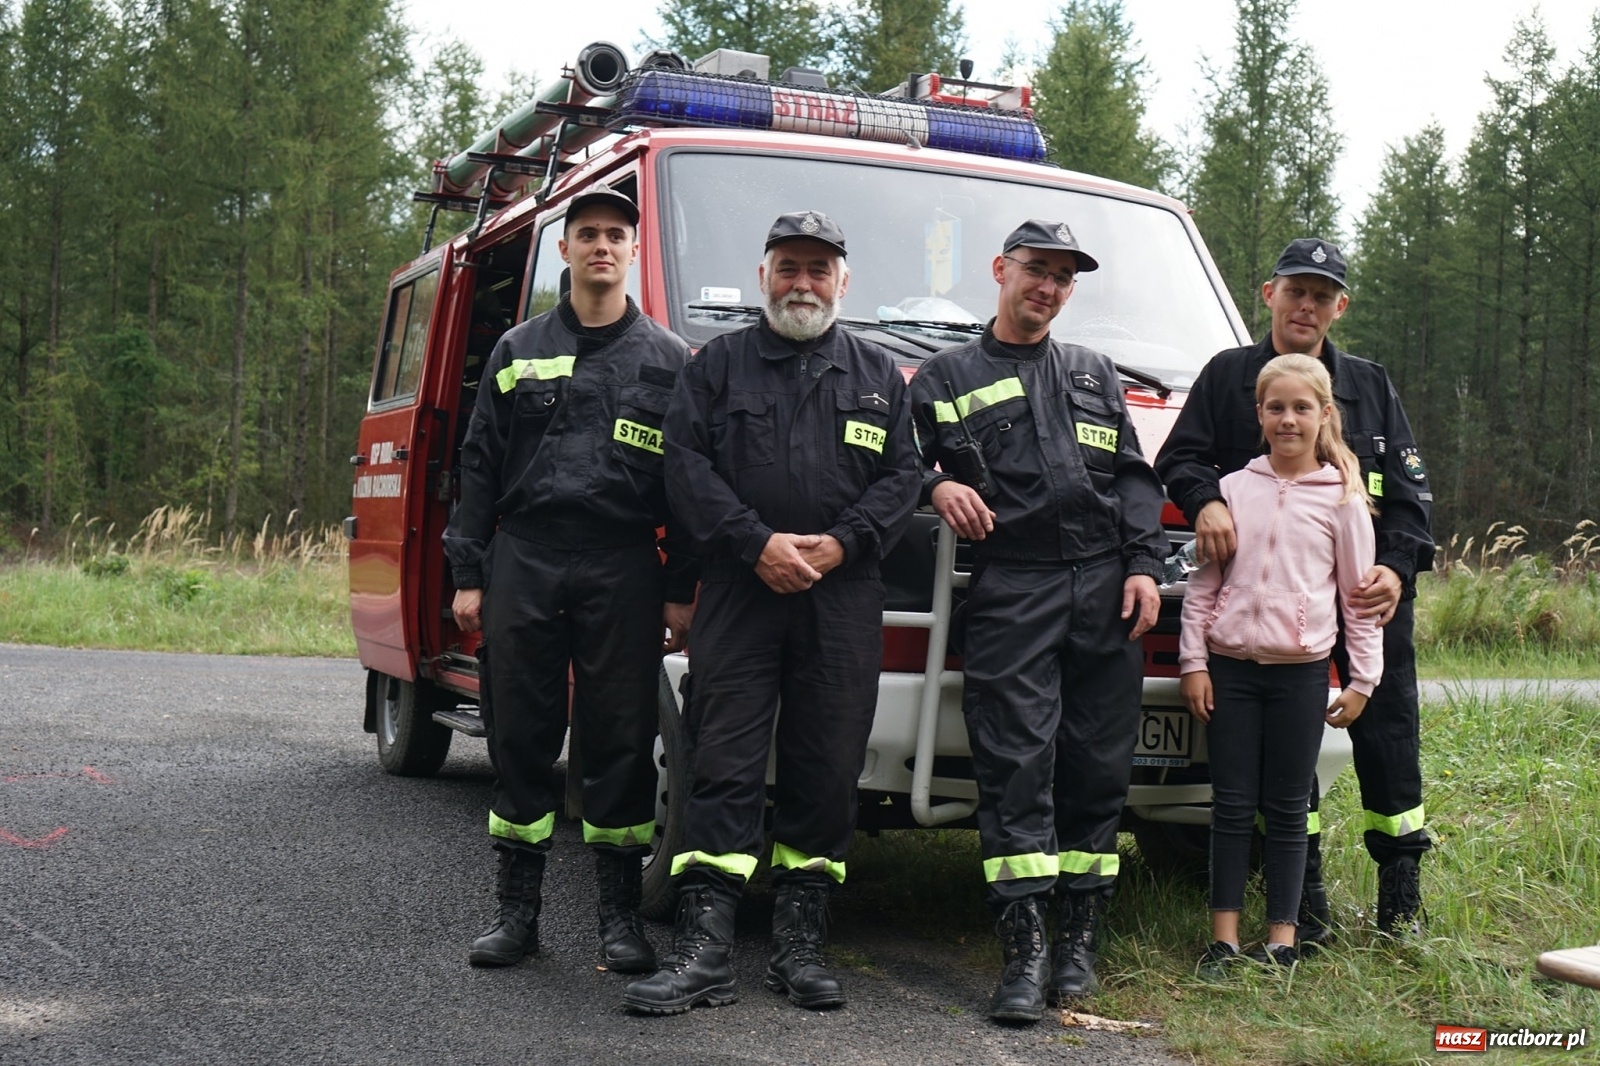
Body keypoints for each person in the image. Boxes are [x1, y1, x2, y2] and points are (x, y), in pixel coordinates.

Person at [623, 210, 920, 1015]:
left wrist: (842, 545)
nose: (803, 284)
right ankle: (704, 952)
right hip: (740, 591)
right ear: (763, 277)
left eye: (819, 270)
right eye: (788, 267)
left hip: (842, 598)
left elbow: (903, 480)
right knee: (722, 761)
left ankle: (801, 947)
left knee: (827, 768)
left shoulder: (877, 374)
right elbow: (685, 468)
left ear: (843, 283)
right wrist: (755, 544)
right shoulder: (717, 366)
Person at [908, 220, 1167, 1023]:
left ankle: (1077, 947)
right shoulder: (944, 376)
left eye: (1062, 277)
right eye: (1036, 270)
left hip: (1105, 588)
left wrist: (1144, 564)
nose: (1047, 288)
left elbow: (1134, 478)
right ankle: (1023, 955)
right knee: (1016, 768)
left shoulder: (1093, 372)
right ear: (1001, 270)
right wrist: (933, 485)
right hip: (1013, 587)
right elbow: (889, 461)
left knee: (1099, 770)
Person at [442, 188, 696, 972]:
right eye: (587, 234)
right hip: (527, 556)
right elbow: (479, 463)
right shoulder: (518, 349)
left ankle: (620, 922)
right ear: (566, 249)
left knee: (620, 736)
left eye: (616, 235)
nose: (602, 246)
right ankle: (515, 915)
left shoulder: (669, 359)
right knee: (520, 731)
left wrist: (680, 588)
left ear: (633, 250)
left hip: (623, 563)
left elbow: (689, 484)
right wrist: (468, 572)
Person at [1156, 238, 1435, 943]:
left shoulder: (1370, 386)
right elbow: (1178, 458)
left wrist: (1396, 569)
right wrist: (1204, 504)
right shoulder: (1227, 377)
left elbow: (1411, 500)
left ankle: (1401, 901)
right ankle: (1302, 903)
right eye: (1295, 291)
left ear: (1340, 307)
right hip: (1266, 605)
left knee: (1388, 739)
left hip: (1363, 595)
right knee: (1285, 755)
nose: (1306, 305)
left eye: (1321, 295)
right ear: (1269, 295)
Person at [1182, 354, 1381, 976]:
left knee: (1289, 808)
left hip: (1301, 675)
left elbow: (1358, 600)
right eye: (1276, 408)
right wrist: (1194, 662)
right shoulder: (1233, 490)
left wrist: (1363, 680)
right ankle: (1223, 941)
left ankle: (1282, 941)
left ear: (1325, 415)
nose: (1288, 419)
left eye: (1301, 408)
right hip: (1230, 672)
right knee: (1231, 805)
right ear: (1259, 415)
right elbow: (1203, 587)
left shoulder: (1343, 500)